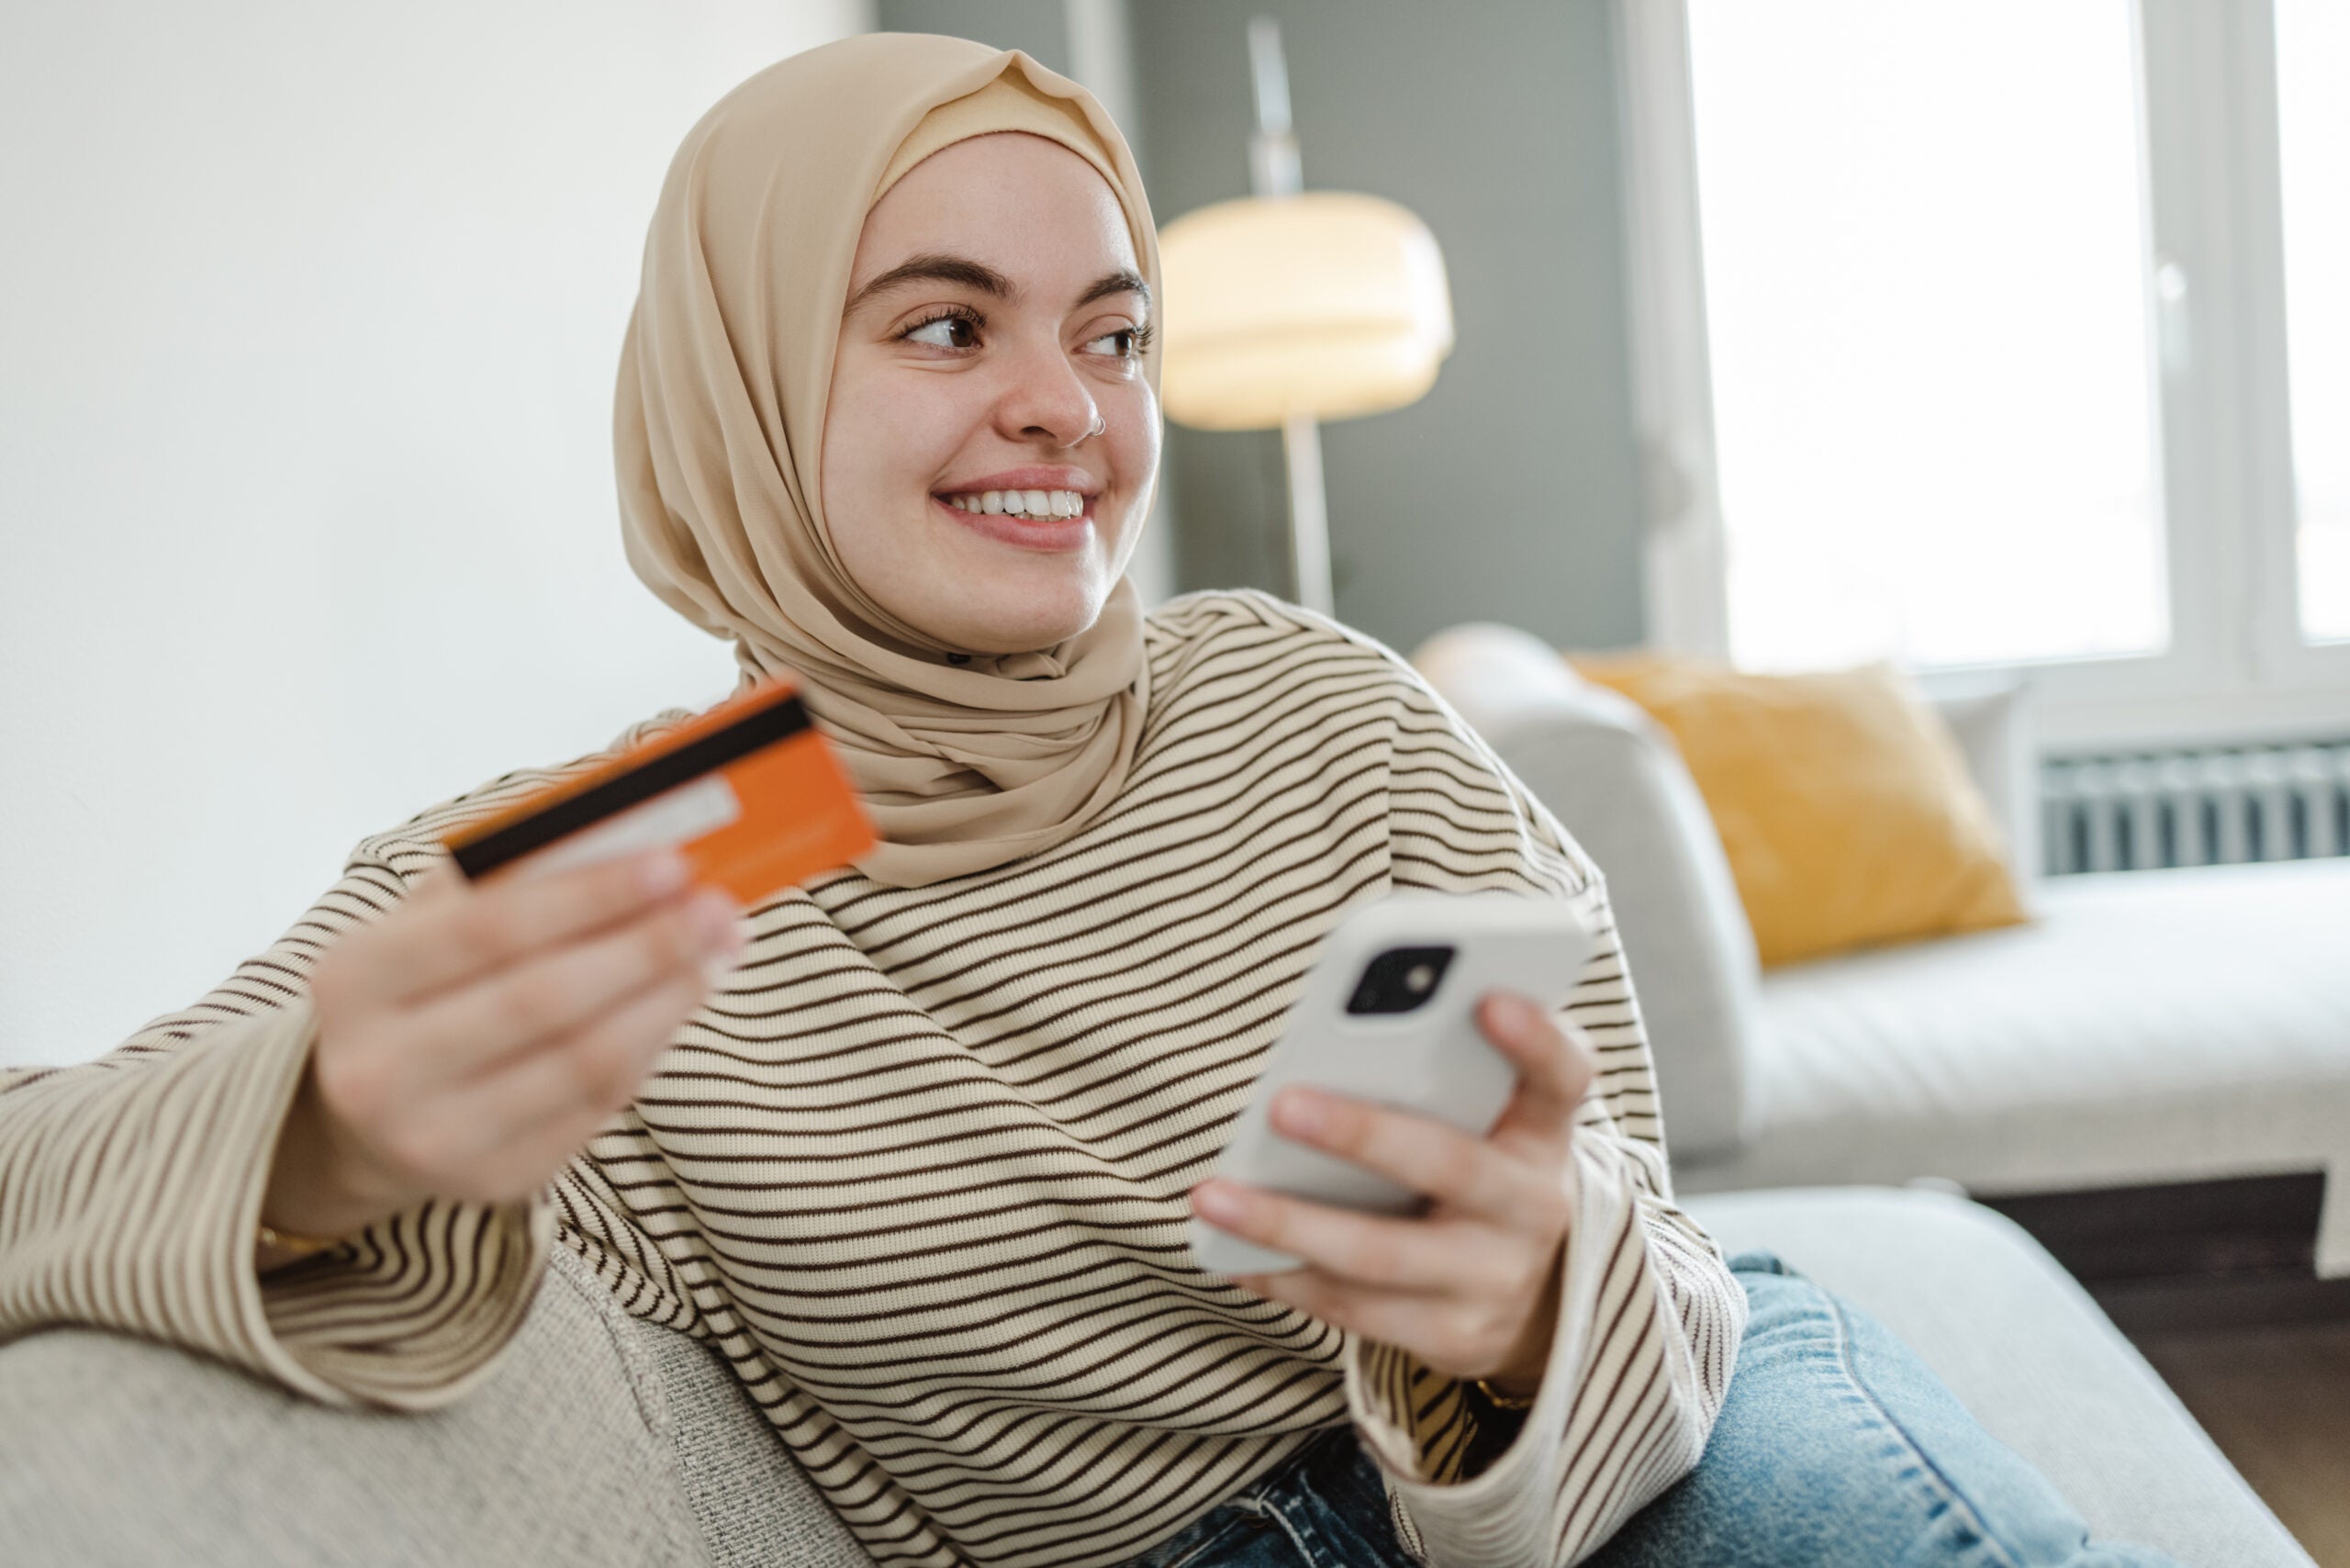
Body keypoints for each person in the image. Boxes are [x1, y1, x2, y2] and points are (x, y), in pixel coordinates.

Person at [0, 32, 2185, 1568]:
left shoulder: (1297, 709)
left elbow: (1634, 1216)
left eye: (1113, 332)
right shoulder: (655, 848)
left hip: (1622, 1481)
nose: (1065, 405)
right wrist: (319, 1129)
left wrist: (1524, 1300)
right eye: (942, 327)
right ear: (740, 377)